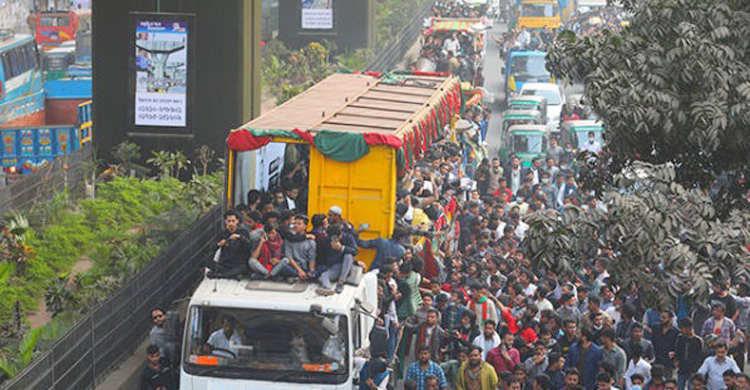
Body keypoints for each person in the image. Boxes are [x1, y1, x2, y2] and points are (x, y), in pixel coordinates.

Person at [209, 210, 253, 278]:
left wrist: (240, 237)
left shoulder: (243, 232)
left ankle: (221, 275)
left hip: (238, 264)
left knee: (243, 268)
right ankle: (231, 275)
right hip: (225, 264)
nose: (231, 223)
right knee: (208, 262)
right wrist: (219, 244)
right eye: (229, 221)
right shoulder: (223, 233)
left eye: (233, 221)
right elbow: (212, 248)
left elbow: (249, 246)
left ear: (237, 221)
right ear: (225, 222)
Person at [317, 224, 358, 295]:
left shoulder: (348, 238)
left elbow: (354, 251)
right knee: (324, 276)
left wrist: (342, 248)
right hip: (334, 266)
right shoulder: (326, 241)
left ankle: (341, 281)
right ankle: (328, 289)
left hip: (346, 267)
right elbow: (322, 258)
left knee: (348, 255)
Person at [675, 317, 704, 390]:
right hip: (682, 368)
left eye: (682, 328)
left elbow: (700, 356)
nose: (681, 330)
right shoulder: (680, 338)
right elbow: (678, 352)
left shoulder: (698, 340)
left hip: (693, 370)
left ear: (688, 328)